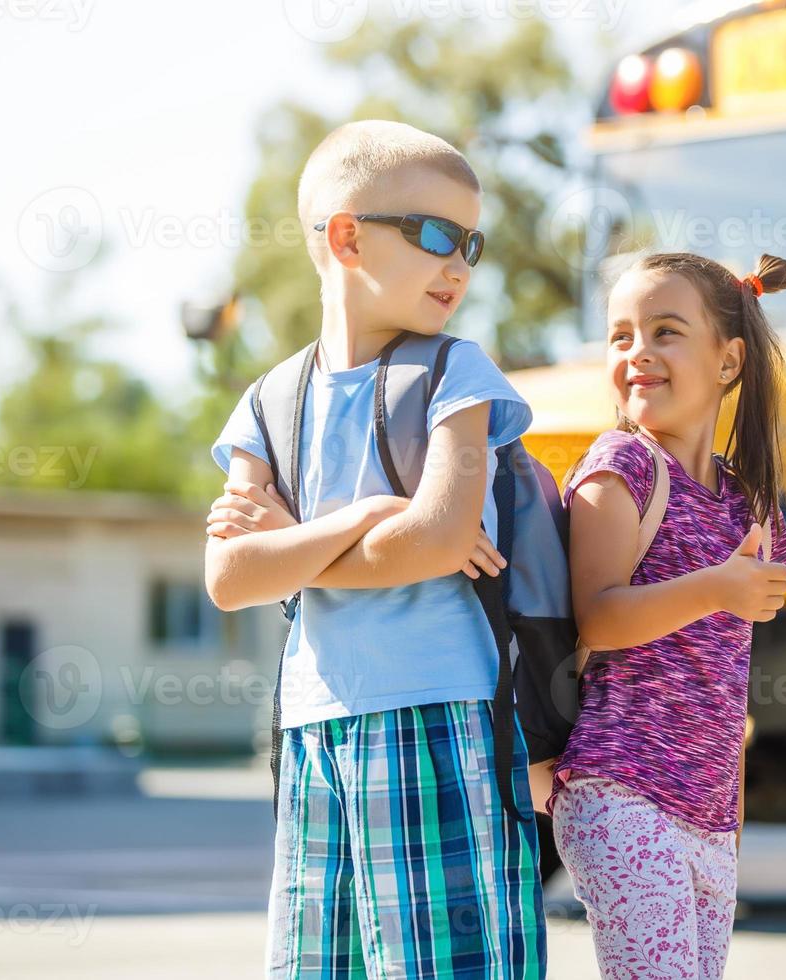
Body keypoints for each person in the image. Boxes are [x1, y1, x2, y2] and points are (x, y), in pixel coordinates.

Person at [203, 119, 546, 979]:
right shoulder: (269, 401)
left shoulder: (457, 373)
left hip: (441, 717)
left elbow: (434, 543)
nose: (461, 265)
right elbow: (230, 577)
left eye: (473, 242)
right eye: (437, 236)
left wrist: (294, 540)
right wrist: (373, 514)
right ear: (348, 236)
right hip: (313, 728)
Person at [548, 252, 786, 978]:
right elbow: (597, 616)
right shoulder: (617, 468)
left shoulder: (751, 506)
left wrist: (732, 828)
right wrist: (716, 588)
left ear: (728, 361)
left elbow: (727, 684)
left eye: (665, 332)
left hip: (710, 821)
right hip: (619, 793)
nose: (637, 354)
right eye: (620, 336)